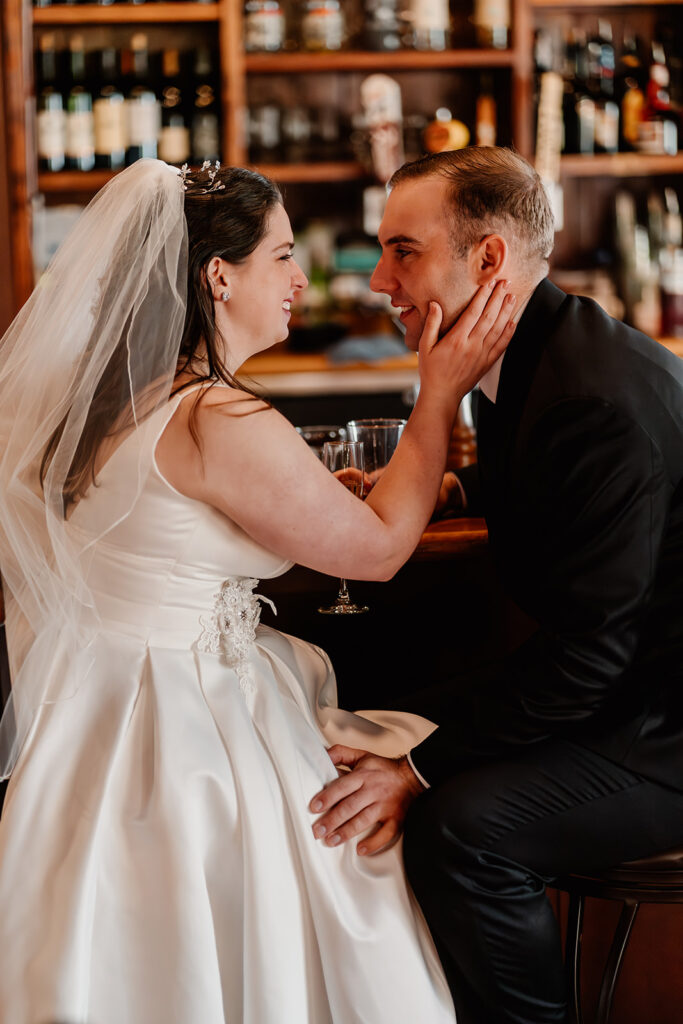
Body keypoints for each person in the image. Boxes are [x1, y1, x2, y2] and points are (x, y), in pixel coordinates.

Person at [0, 158, 515, 1024]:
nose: (302, 278)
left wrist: (313, 505)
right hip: (186, 727)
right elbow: (382, 552)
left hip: (95, 715)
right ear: (217, 275)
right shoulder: (218, 418)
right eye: (281, 256)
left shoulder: (114, 404)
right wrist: (439, 394)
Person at [309, 146, 683, 1024]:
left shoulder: (592, 394)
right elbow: (554, 490)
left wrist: (421, 770)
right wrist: (451, 489)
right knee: (375, 708)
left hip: (660, 729)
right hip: (618, 692)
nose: (377, 282)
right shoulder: (533, 350)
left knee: (461, 829)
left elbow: (590, 658)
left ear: (487, 261)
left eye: (403, 251)